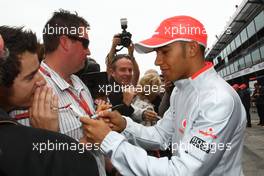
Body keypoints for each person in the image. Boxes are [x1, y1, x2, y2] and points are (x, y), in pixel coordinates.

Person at [80, 16, 247, 175]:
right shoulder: (180, 90)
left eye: (164, 52)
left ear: (192, 49)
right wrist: (124, 124)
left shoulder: (218, 100)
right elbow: (161, 135)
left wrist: (108, 140)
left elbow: (182, 172)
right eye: (156, 53)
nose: (157, 61)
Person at [9, 10, 106, 175]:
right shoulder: (32, 88)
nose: (88, 52)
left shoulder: (79, 82)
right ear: (65, 42)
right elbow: (30, 161)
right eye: (85, 43)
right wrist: (90, 142)